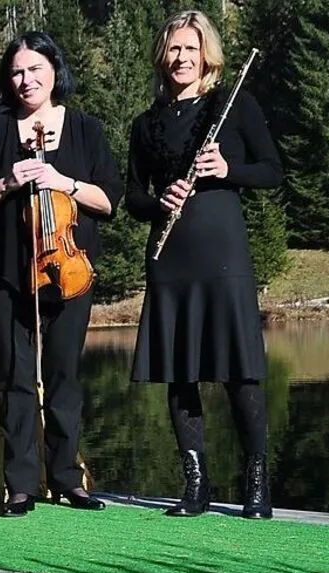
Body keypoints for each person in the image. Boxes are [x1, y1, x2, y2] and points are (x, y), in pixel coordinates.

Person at [125, 10, 282, 519]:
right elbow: (132, 196)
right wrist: (159, 202)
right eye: (173, 49)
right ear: (161, 56)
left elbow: (273, 171)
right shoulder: (145, 124)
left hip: (223, 252)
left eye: (191, 49)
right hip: (171, 256)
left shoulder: (231, 106)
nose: (181, 59)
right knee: (181, 371)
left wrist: (228, 169)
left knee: (240, 371)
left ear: (206, 55)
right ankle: (196, 485)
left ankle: (256, 483)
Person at [0, 32, 123, 517]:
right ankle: (21, 484)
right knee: (14, 376)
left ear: (54, 70)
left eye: (35, 69)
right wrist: (8, 182)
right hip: (9, 273)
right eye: (16, 72)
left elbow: (109, 200)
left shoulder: (84, 130)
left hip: (69, 271)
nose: (26, 79)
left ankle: (69, 478)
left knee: (63, 377)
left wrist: (65, 183)